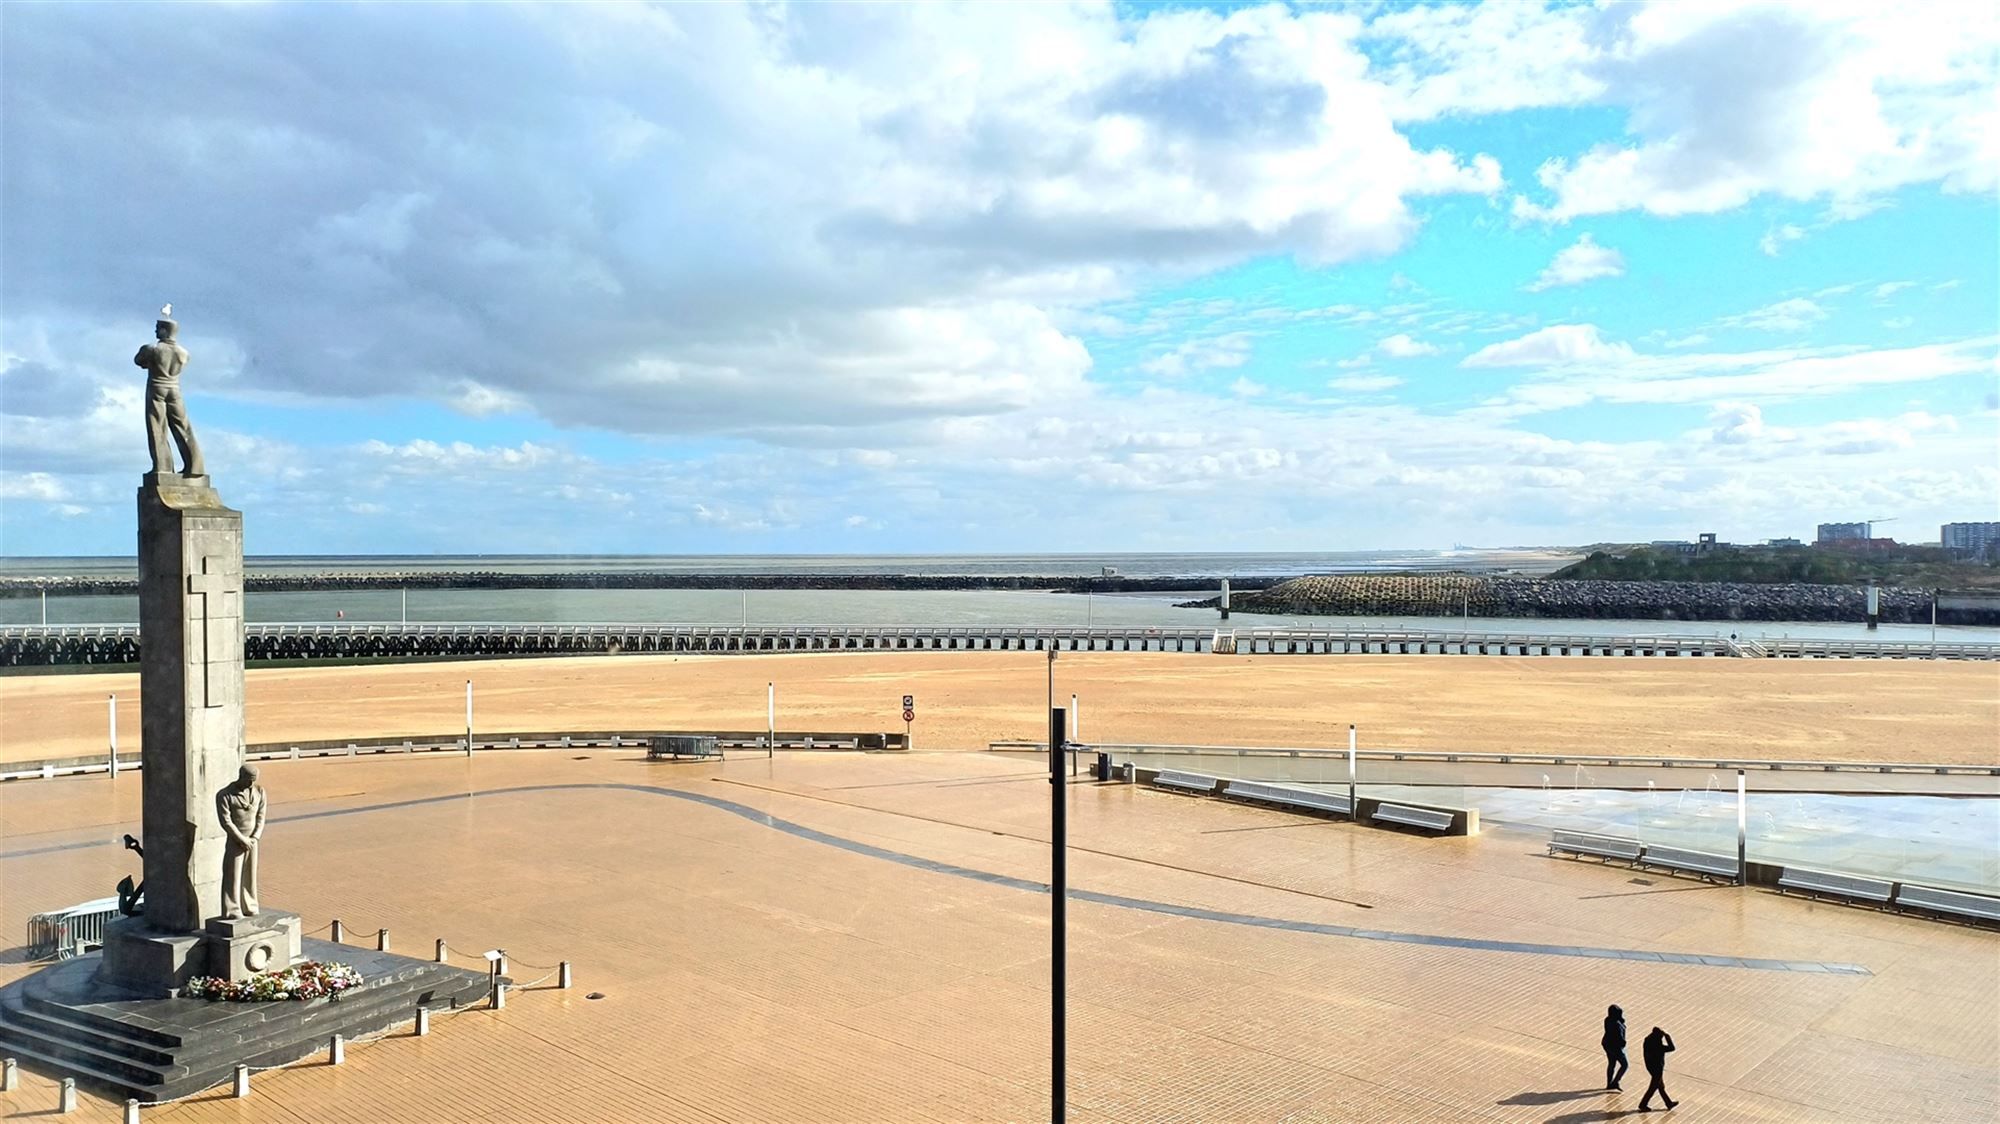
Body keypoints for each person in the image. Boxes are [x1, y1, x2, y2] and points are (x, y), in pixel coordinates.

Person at [135, 310, 205, 477]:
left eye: (158, 328)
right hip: (175, 390)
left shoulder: (152, 349)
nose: (156, 331)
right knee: (183, 427)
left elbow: (139, 360)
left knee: (157, 427)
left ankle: (163, 467)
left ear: (166, 330)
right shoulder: (183, 353)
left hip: (157, 387)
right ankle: (195, 467)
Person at [217, 764, 267, 918]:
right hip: (236, 840)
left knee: (249, 875)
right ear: (241, 776)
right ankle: (232, 909)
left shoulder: (260, 792)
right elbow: (226, 822)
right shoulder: (225, 795)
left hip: (252, 841)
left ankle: (250, 905)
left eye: (254, 780)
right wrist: (241, 838)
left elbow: (261, 816)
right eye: (248, 780)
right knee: (232, 875)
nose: (251, 784)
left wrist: (255, 837)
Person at [1639, 1025, 1678, 1111]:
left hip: (1650, 1066)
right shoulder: (1658, 1046)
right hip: (1657, 1068)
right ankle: (1643, 1104)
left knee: (1661, 1086)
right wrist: (1667, 1037)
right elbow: (1672, 1048)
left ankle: (1668, 1103)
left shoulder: (1648, 1040)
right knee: (1653, 1087)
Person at [1602, 1004, 1628, 1090]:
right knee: (1624, 1064)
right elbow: (1620, 1037)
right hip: (1615, 1047)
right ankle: (1615, 1082)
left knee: (1611, 1063)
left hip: (1607, 1044)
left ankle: (1609, 1083)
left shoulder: (1607, 1020)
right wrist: (1623, 1043)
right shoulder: (1617, 1024)